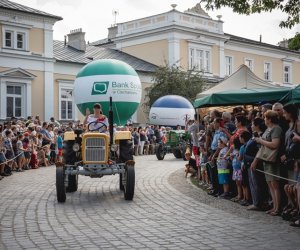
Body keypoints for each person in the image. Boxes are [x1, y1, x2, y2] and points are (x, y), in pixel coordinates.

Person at [251, 110, 282, 216]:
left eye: (265, 118)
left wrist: (260, 141)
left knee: (275, 184)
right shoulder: (269, 129)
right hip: (265, 158)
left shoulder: (276, 128)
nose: (264, 119)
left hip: (273, 159)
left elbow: (274, 144)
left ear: (269, 119)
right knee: (270, 184)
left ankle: (278, 208)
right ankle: (274, 206)